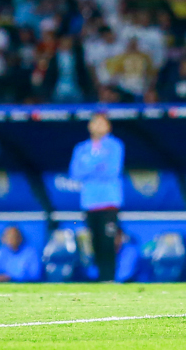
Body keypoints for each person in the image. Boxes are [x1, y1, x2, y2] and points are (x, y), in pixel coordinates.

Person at [69, 113, 124, 282]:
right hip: (89, 203)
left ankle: (110, 279)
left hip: (109, 202)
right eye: (96, 123)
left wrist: (89, 165)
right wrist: (98, 163)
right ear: (90, 126)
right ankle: (101, 279)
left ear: (108, 127)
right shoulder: (81, 148)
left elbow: (112, 171)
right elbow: (75, 173)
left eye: (102, 123)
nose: (99, 126)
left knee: (108, 242)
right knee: (94, 243)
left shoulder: (115, 146)